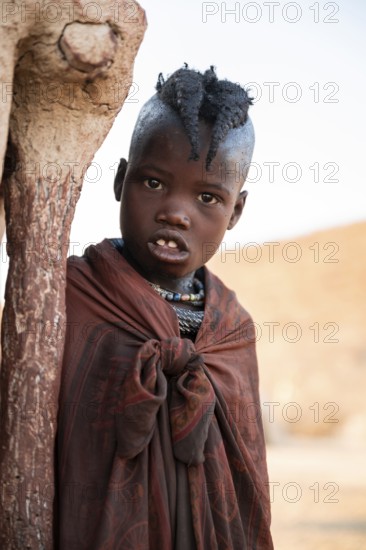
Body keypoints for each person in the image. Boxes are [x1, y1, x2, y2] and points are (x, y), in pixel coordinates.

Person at [56, 65, 273, 549]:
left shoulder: (232, 330)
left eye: (207, 197)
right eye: (153, 183)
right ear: (120, 180)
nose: (176, 211)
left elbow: (246, 481)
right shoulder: (69, 295)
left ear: (235, 211)